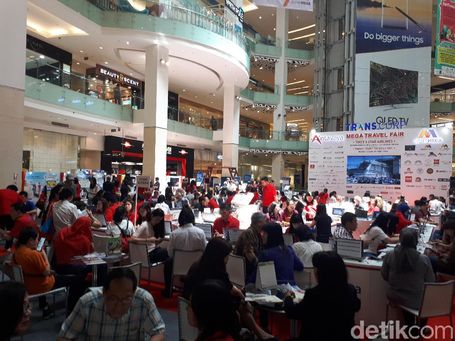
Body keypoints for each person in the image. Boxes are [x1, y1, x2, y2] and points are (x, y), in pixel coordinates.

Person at [57, 268, 165, 341]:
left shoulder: (143, 300)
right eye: (113, 299)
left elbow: (159, 332)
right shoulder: (87, 303)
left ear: (133, 293)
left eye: (126, 299)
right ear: (104, 292)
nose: (118, 307)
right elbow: (64, 337)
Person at [284, 251, 361, 340]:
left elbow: (292, 313)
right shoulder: (350, 290)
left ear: (319, 272)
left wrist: (288, 297)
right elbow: (357, 306)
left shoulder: (313, 295)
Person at [13, 228, 87, 316]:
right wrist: (43, 254)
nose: (37, 241)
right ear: (30, 240)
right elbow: (46, 272)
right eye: (37, 239)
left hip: (28, 283)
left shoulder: (16, 252)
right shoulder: (34, 254)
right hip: (42, 284)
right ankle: (72, 311)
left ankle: (44, 306)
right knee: (77, 280)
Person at [381, 229, 435, 334]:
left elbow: (384, 275)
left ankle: (410, 326)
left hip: (394, 295)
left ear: (400, 239)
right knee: (422, 297)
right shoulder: (424, 259)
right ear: (416, 241)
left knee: (407, 297)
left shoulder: (389, 255)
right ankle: (420, 328)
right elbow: (430, 282)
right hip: (415, 300)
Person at [163, 206, 207, 297]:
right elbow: (204, 251)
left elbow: (170, 253)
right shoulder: (201, 232)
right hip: (196, 267)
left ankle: (168, 290)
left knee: (167, 262)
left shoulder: (174, 234)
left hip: (178, 266)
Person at [234, 212, 266, 283]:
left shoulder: (256, 233)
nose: (265, 223)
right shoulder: (249, 233)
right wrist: (261, 267)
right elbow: (249, 253)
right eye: (265, 221)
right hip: (244, 270)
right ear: (259, 223)